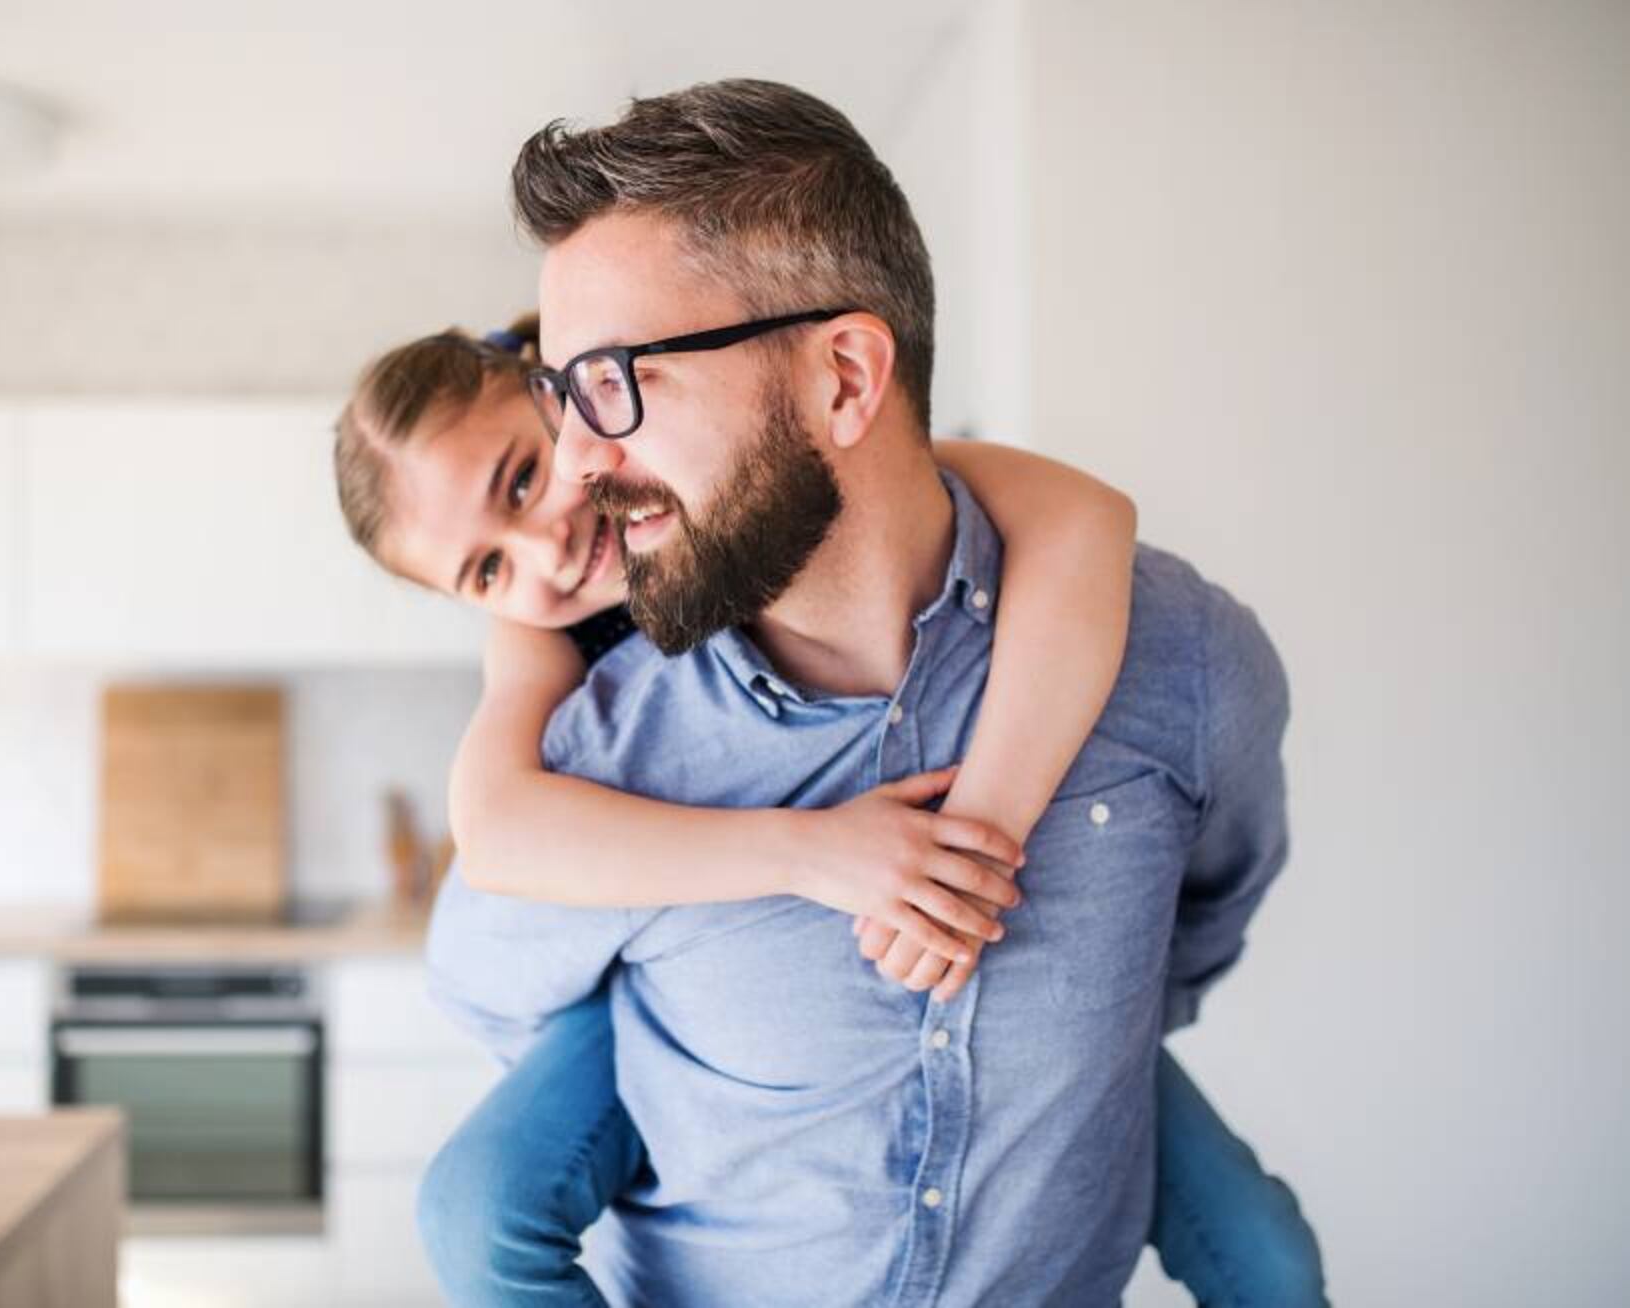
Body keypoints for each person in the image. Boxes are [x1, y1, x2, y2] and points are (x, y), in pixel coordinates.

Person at [338, 78, 1323, 1304]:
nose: (576, 480)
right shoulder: (581, 725)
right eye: (486, 569)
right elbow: (492, 900)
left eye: (607, 385)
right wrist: (786, 873)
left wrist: (1064, 1043)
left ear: (846, 381)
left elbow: (1085, 530)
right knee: (472, 1209)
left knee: (1269, 1255)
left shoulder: (1165, 646)